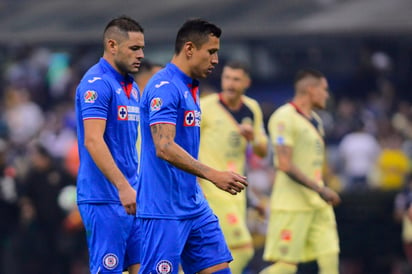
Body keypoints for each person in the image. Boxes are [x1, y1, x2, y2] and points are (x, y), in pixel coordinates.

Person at [137, 18, 248, 274]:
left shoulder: (191, 87)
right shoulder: (164, 87)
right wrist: (212, 175)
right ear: (189, 49)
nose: (216, 60)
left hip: (193, 204)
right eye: (211, 52)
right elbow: (163, 146)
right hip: (163, 208)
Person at [74, 16, 144, 274]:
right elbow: (93, 140)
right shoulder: (96, 83)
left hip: (132, 196)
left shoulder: (131, 87)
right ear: (112, 45)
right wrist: (123, 186)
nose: (141, 55)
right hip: (104, 198)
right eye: (134, 48)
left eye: (142, 48)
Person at [261, 69, 341, 274]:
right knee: (286, 268)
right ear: (311, 90)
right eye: (324, 89)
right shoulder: (284, 117)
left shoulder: (317, 120)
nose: (327, 95)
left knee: (330, 259)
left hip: (318, 204)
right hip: (292, 205)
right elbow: (285, 164)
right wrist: (320, 189)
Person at [198, 60, 268, 273]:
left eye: (236, 79)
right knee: (243, 248)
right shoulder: (206, 106)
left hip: (236, 192)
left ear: (246, 82)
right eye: (227, 78)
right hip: (212, 190)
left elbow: (262, 151)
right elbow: (187, 145)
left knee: (220, 252)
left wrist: (253, 137)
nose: (230, 83)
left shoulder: (251, 108)